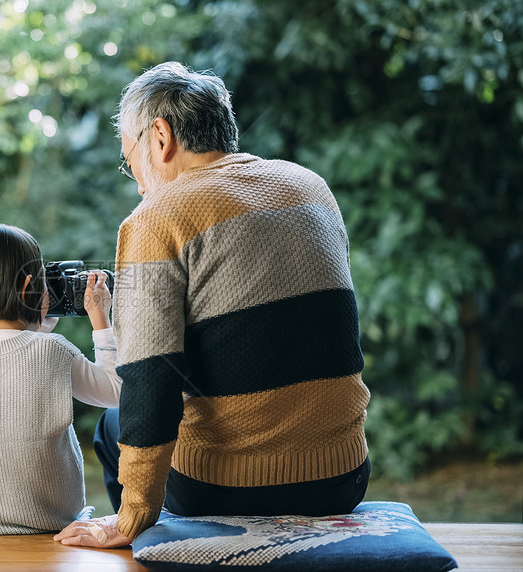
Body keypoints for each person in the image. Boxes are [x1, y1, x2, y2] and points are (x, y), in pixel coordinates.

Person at [54, 62, 370, 548]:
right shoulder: (311, 188)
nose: (138, 183)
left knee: (113, 425)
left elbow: (149, 378)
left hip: (229, 488)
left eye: (130, 161)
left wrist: (133, 515)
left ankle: (157, 551)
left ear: (159, 137)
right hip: (343, 477)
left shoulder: (156, 218)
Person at [0, 222, 121, 534]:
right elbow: (115, 393)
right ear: (30, 286)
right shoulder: (53, 350)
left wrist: (37, 326)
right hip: (45, 516)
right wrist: (101, 321)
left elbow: (10, 360)